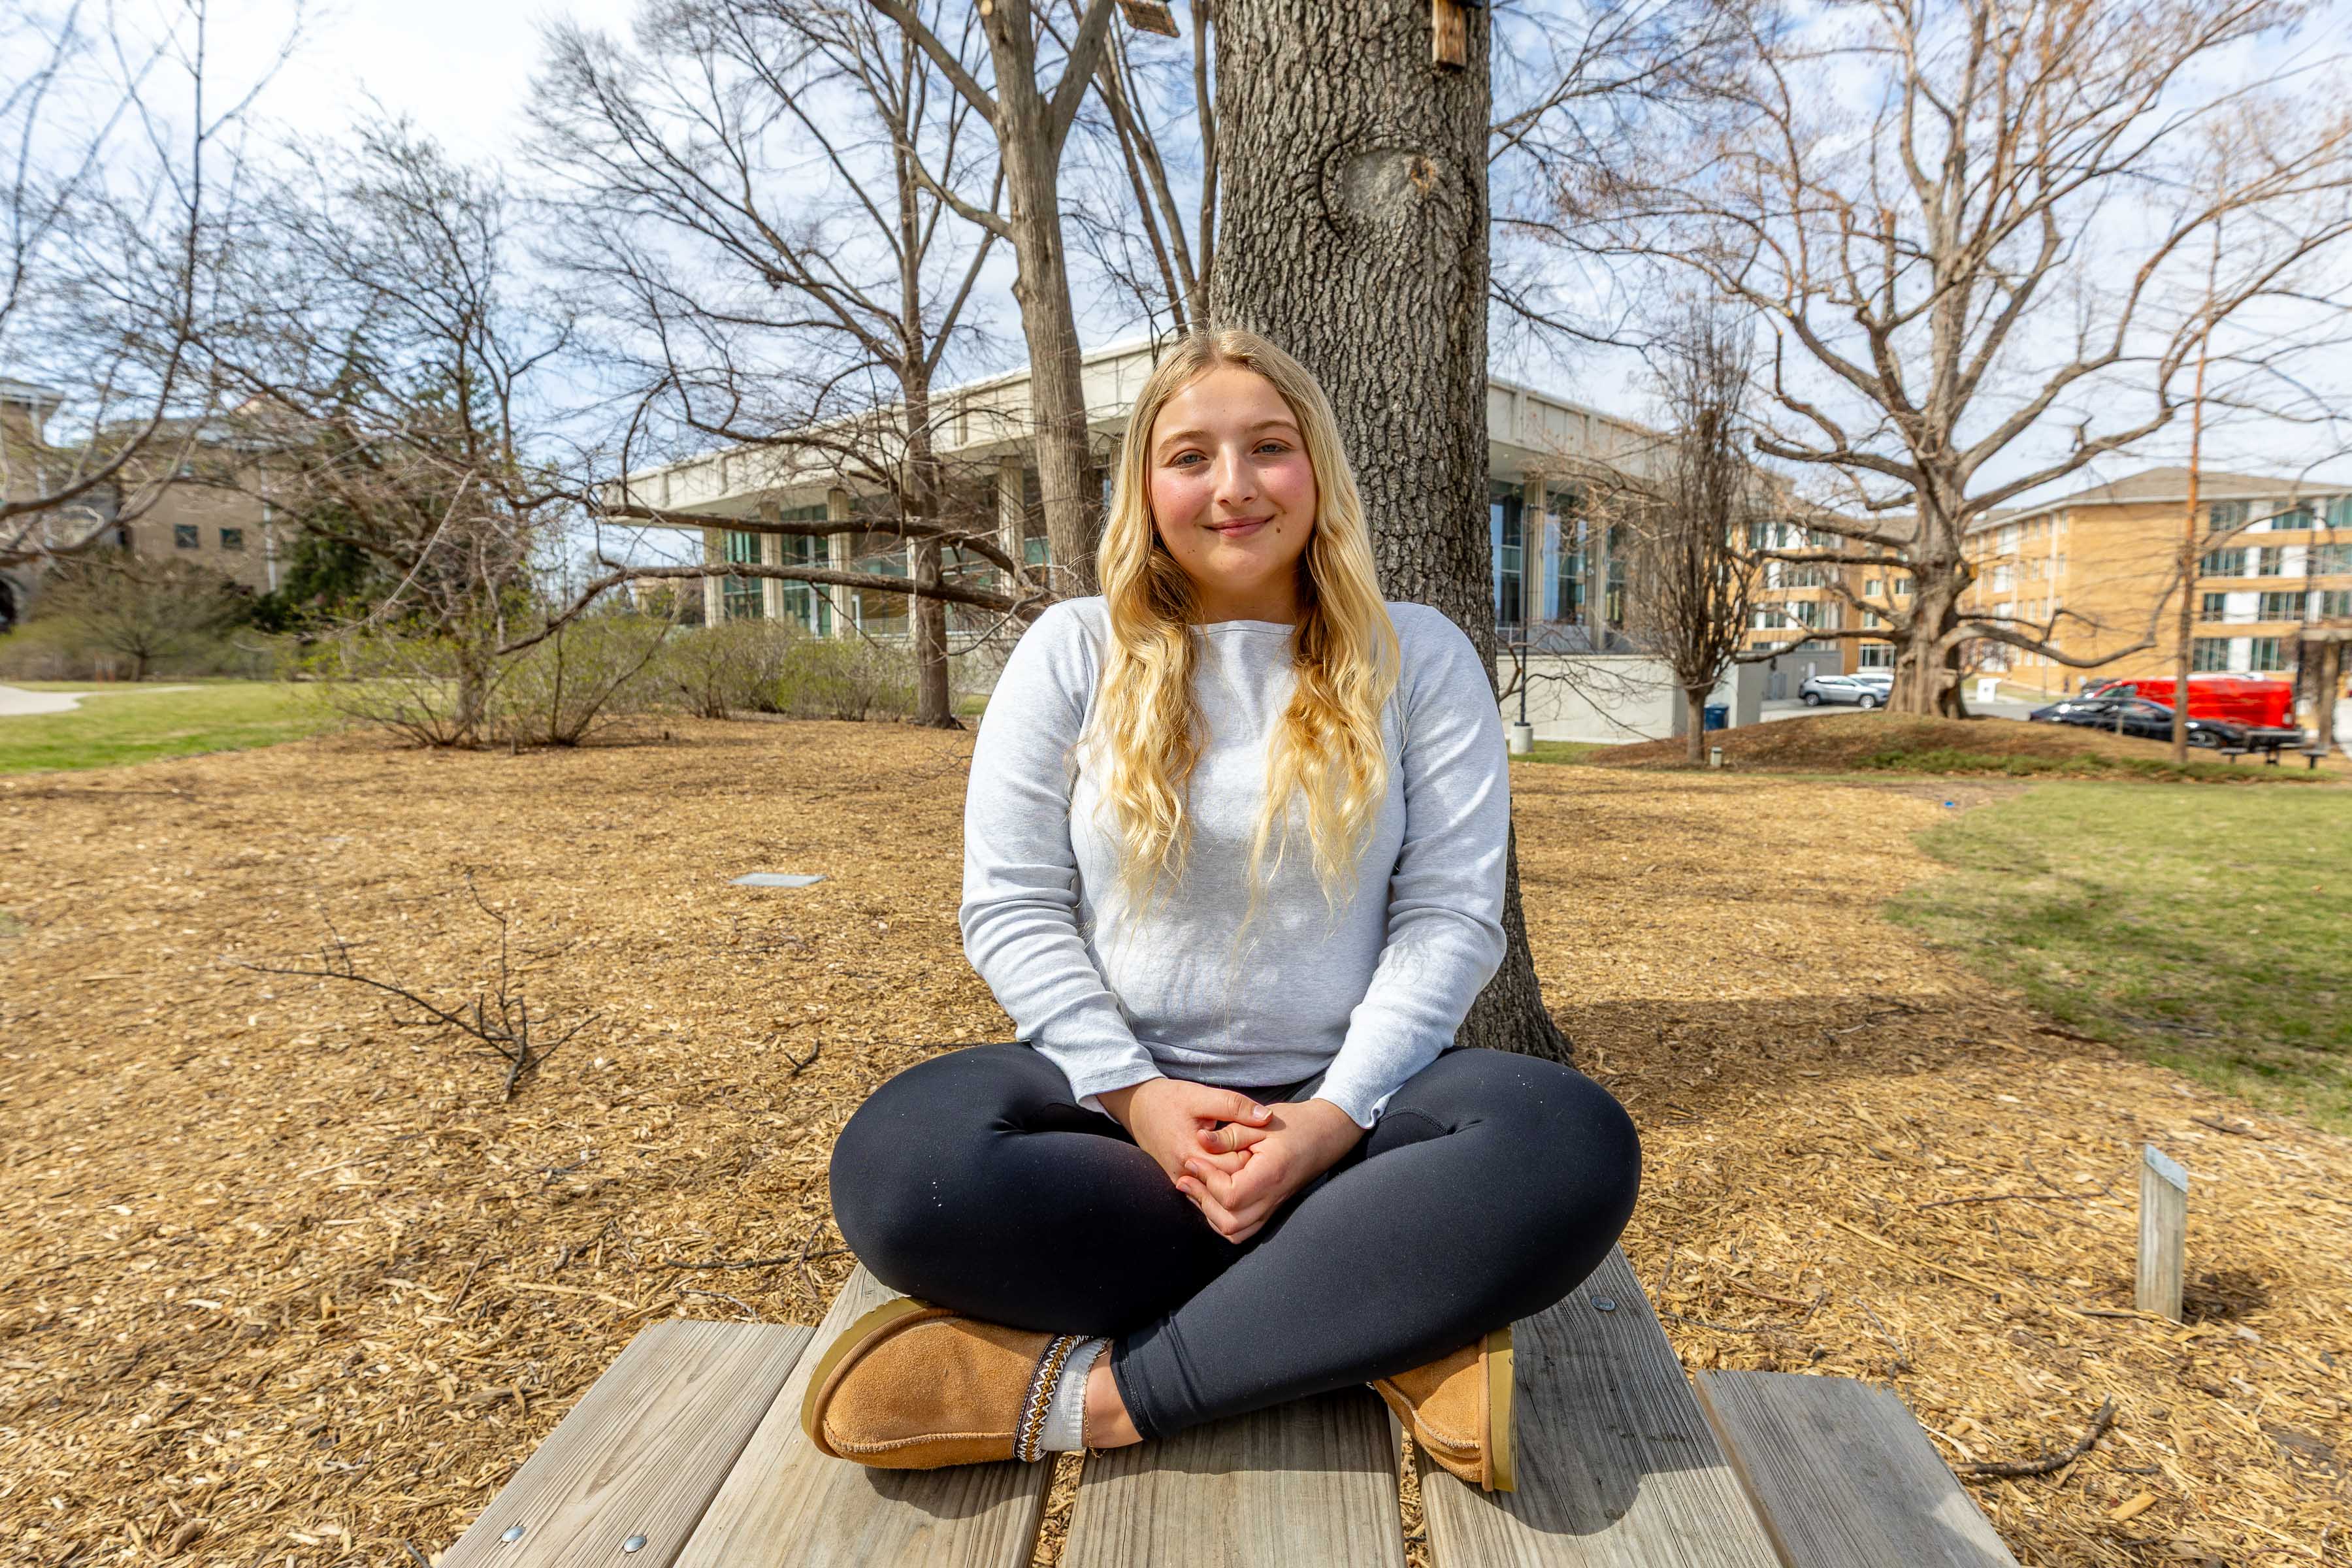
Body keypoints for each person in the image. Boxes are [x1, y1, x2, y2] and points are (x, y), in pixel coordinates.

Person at [799, 328, 1640, 1493]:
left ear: (1321, 474)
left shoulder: (1420, 657)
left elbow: (1451, 918)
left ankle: (1099, 1403)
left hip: (1362, 1128)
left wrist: (1335, 1117)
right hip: (1118, 1123)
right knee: (904, 1174)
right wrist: (1139, 1097)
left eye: (1270, 449)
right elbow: (1012, 907)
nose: (1234, 485)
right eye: (1191, 455)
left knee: (1566, 1143)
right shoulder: (1072, 652)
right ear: (1146, 488)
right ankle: (1377, 1321)